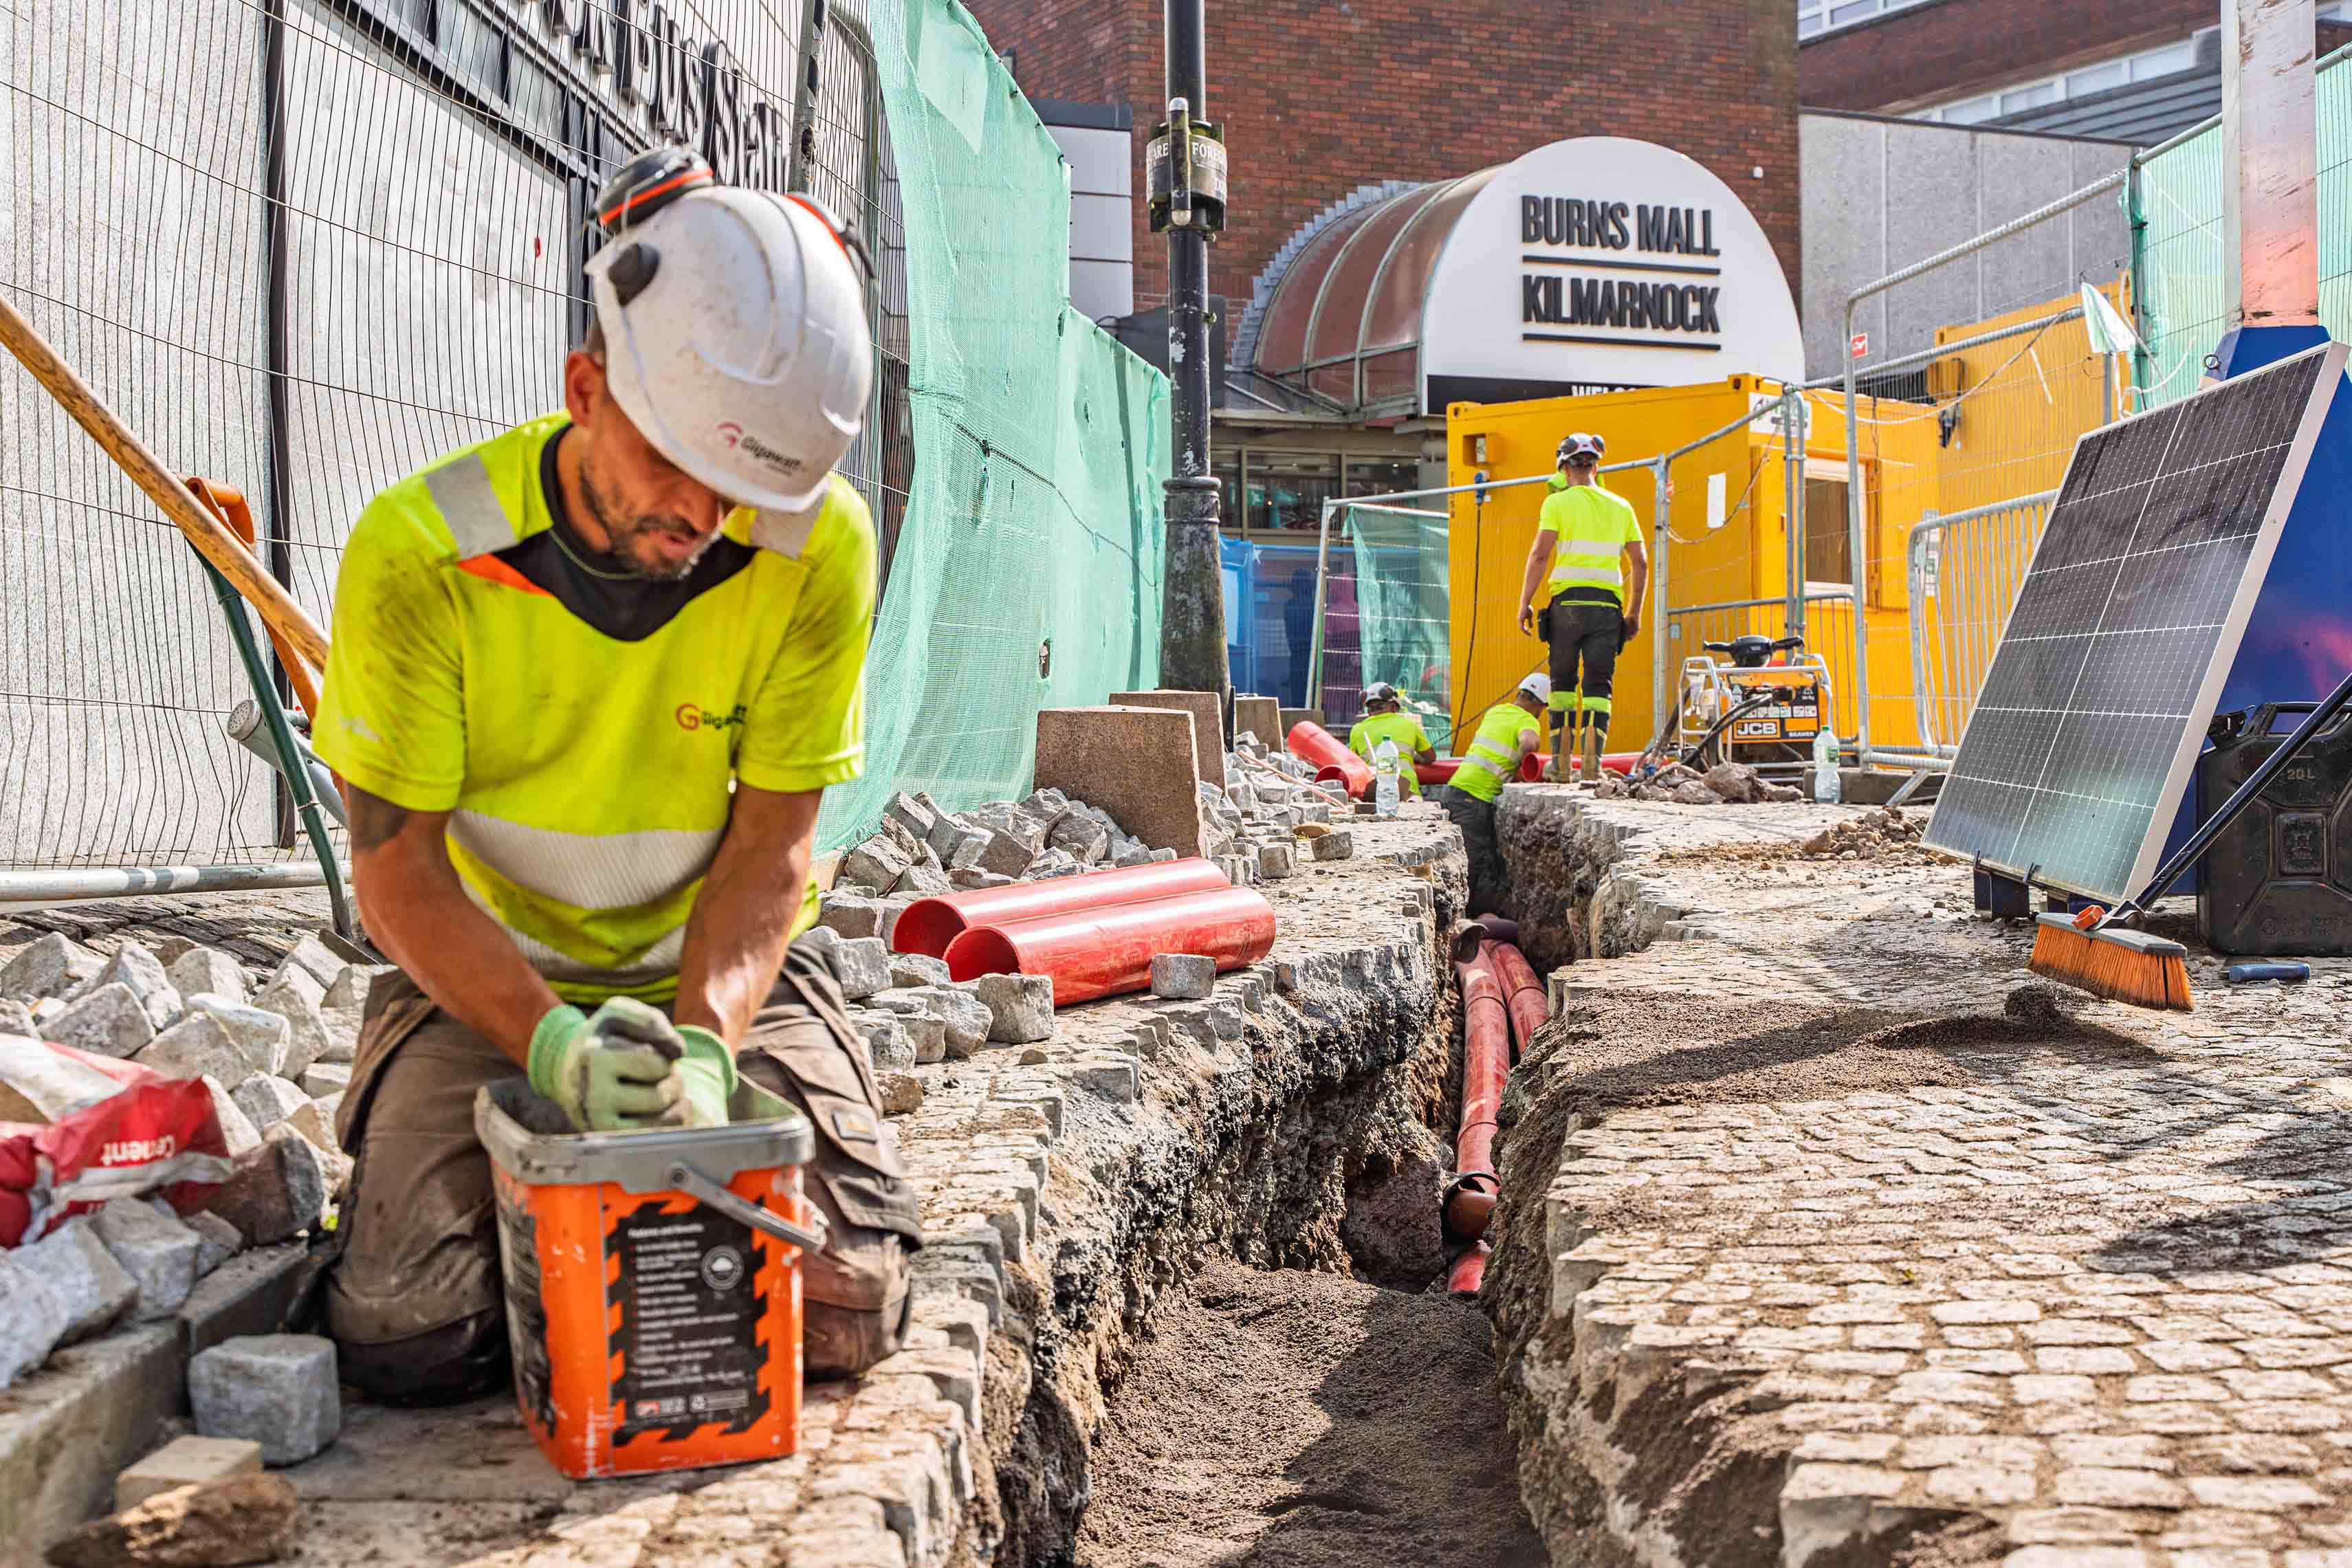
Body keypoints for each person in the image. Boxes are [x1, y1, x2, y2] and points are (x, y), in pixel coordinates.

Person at [309, 149, 920, 1404]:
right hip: (488, 984)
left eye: (741, 487)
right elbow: (397, 873)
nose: (702, 515)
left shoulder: (815, 545)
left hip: (717, 974)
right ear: (584, 389)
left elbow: (771, 848)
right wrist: (552, 1048)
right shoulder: (424, 551)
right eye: (671, 462)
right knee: (408, 1336)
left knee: (837, 1305)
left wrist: (701, 1052)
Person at [1516, 432, 1648, 783]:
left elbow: (1540, 555)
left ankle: (1561, 767)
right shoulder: (1621, 506)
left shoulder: (1556, 504)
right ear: (1596, 467)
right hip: (1606, 608)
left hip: (1567, 606)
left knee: (1562, 684)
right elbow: (1640, 563)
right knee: (1598, 686)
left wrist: (1525, 603)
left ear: (1564, 468)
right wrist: (1634, 613)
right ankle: (1592, 767)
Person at [1438, 674, 1548, 914]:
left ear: (1519, 694)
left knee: (1453, 862)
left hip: (1454, 791)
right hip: (1475, 798)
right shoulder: (1528, 719)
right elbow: (1529, 744)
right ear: (1541, 705)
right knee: (1469, 866)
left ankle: (1465, 917)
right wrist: (1521, 769)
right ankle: (1459, 923)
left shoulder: (1496, 712)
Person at [1347, 681, 1437, 799]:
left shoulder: (1357, 730)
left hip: (1375, 793)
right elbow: (1431, 757)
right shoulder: (1409, 725)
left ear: (1369, 710)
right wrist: (1415, 757)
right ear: (1394, 707)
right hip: (1408, 792)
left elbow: (1353, 764)